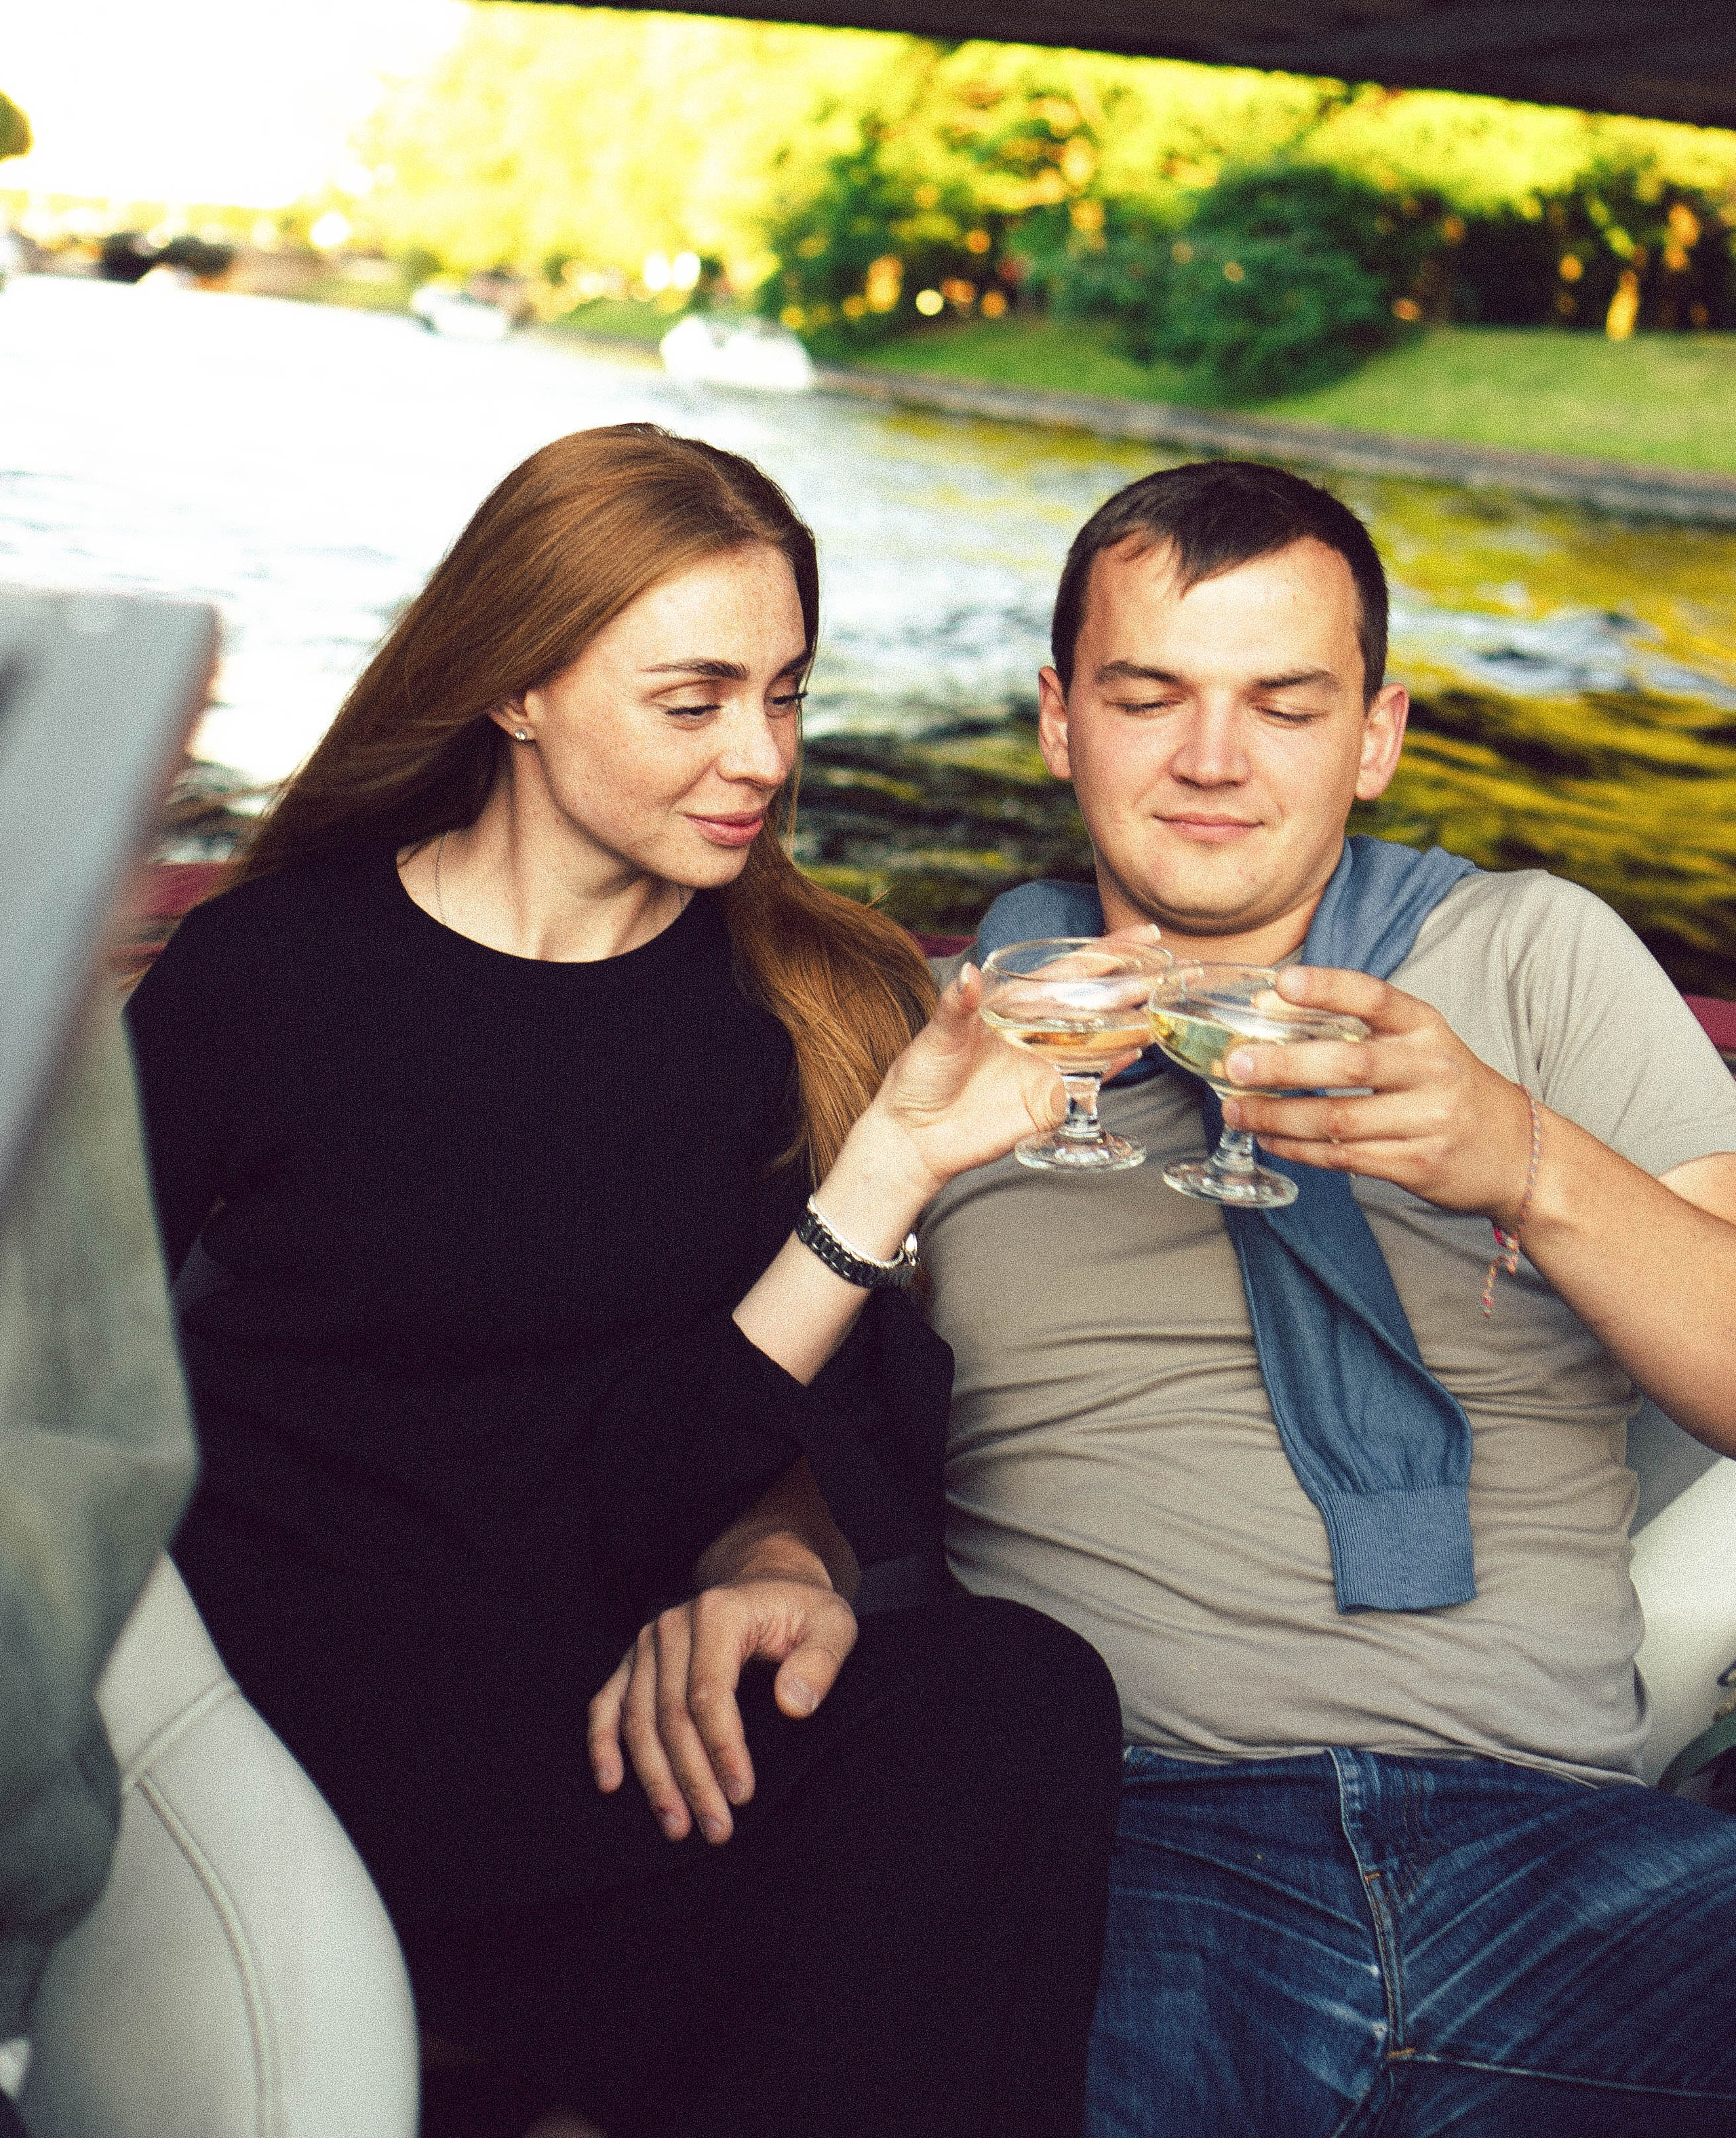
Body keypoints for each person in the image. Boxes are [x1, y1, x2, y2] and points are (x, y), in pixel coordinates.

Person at [605, 459, 1736, 2137]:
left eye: (1285, 705)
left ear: (1375, 734)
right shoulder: (923, 1045)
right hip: (1123, 1849)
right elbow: (760, 1406)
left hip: (1564, 1861)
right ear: (1060, 720)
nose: (1213, 761)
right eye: (1149, 698)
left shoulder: (1532, 956)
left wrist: (1523, 1159)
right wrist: (766, 1547)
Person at [123, 424, 1124, 2138]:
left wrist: (778, 1555)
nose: (760, 756)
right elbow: (64, 1360)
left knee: (1017, 1694)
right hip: (280, 1705)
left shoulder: (816, 1005)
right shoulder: (272, 971)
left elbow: (704, 1464)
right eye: (696, 698)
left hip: (619, 1719)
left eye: (787, 695)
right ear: (516, 686)